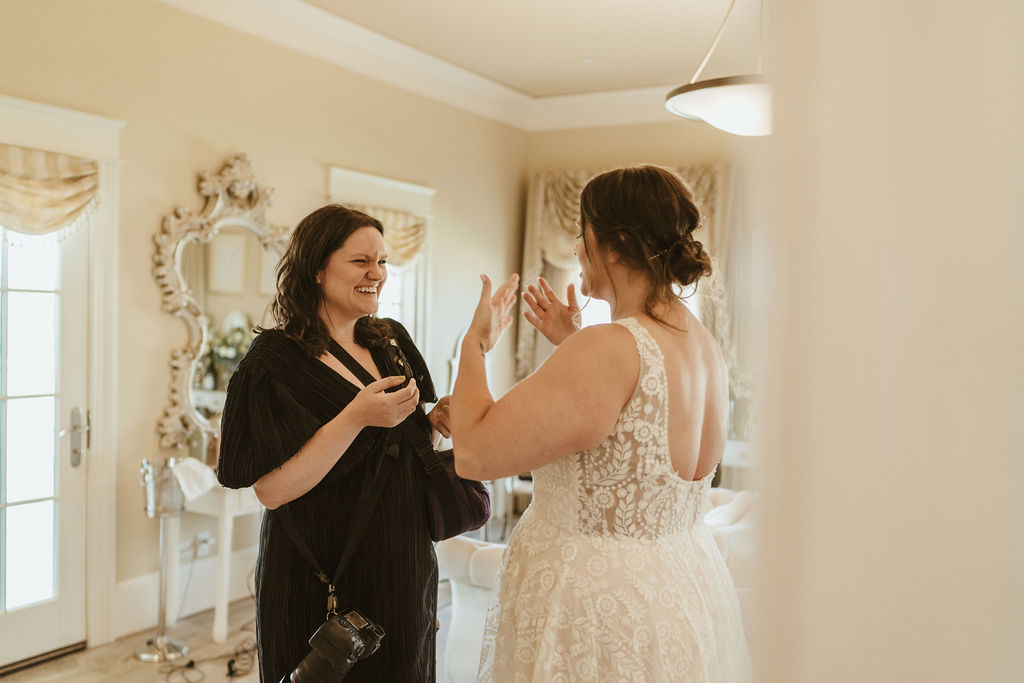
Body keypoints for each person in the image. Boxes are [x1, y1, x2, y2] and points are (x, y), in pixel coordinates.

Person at [451, 165, 751, 681]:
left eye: (581, 234)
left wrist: (473, 345)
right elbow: (637, 425)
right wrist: (575, 347)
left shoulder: (610, 348)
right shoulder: (703, 344)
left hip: (594, 607)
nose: (575, 249)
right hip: (680, 589)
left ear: (616, 245)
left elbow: (475, 451)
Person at [216, 204, 451, 682]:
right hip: (322, 575)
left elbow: (401, 449)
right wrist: (354, 418)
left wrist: (435, 422)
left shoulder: (390, 341)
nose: (377, 274)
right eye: (361, 261)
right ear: (317, 268)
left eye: (383, 261)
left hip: (402, 565)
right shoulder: (273, 362)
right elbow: (270, 491)